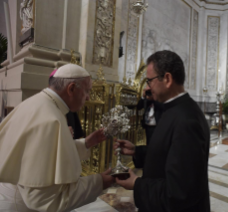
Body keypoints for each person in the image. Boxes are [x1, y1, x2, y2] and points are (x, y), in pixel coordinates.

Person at [0, 64, 114, 211]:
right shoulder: (51, 120)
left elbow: (48, 153)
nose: (88, 97)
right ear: (71, 88)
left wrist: (86, 143)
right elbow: (44, 200)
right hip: (18, 205)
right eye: (87, 91)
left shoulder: (37, 103)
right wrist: (99, 182)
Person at [114, 50, 211, 212]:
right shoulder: (175, 109)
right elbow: (169, 154)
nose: (147, 87)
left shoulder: (187, 121)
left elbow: (179, 193)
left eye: (149, 81)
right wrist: (137, 152)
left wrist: (137, 184)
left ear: (167, 79)